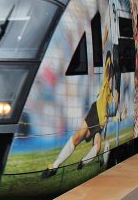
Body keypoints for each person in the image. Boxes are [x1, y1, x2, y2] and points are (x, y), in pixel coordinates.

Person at [43, 50, 121, 178]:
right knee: (78, 137)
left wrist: (113, 112)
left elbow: (113, 107)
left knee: (97, 147)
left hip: (101, 121)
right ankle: (55, 166)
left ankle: (81, 163)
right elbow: (105, 55)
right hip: (95, 112)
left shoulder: (114, 90)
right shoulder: (107, 80)